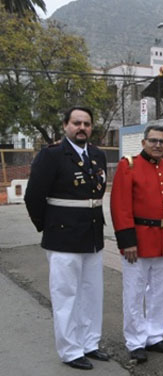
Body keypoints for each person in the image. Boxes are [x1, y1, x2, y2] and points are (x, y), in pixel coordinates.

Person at [24, 106, 108, 370]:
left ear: (92, 127)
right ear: (65, 126)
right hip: (62, 237)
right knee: (66, 296)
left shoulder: (97, 155)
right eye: (76, 123)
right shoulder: (51, 155)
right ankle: (71, 351)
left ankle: (90, 343)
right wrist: (48, 226)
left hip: (92, 235)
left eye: (86, 123)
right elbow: (33, 197)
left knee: (92, 294)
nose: (81, 127)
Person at [111, 125, 163, 363]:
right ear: (144, 142)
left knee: (161, 292)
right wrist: (127, 241)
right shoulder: (129, 166)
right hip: (137, 240)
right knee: (135, 293)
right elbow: (120, 206)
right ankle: (136, 341)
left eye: (162, 141)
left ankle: (156, 336)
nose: (158, 145)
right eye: (153, 141)